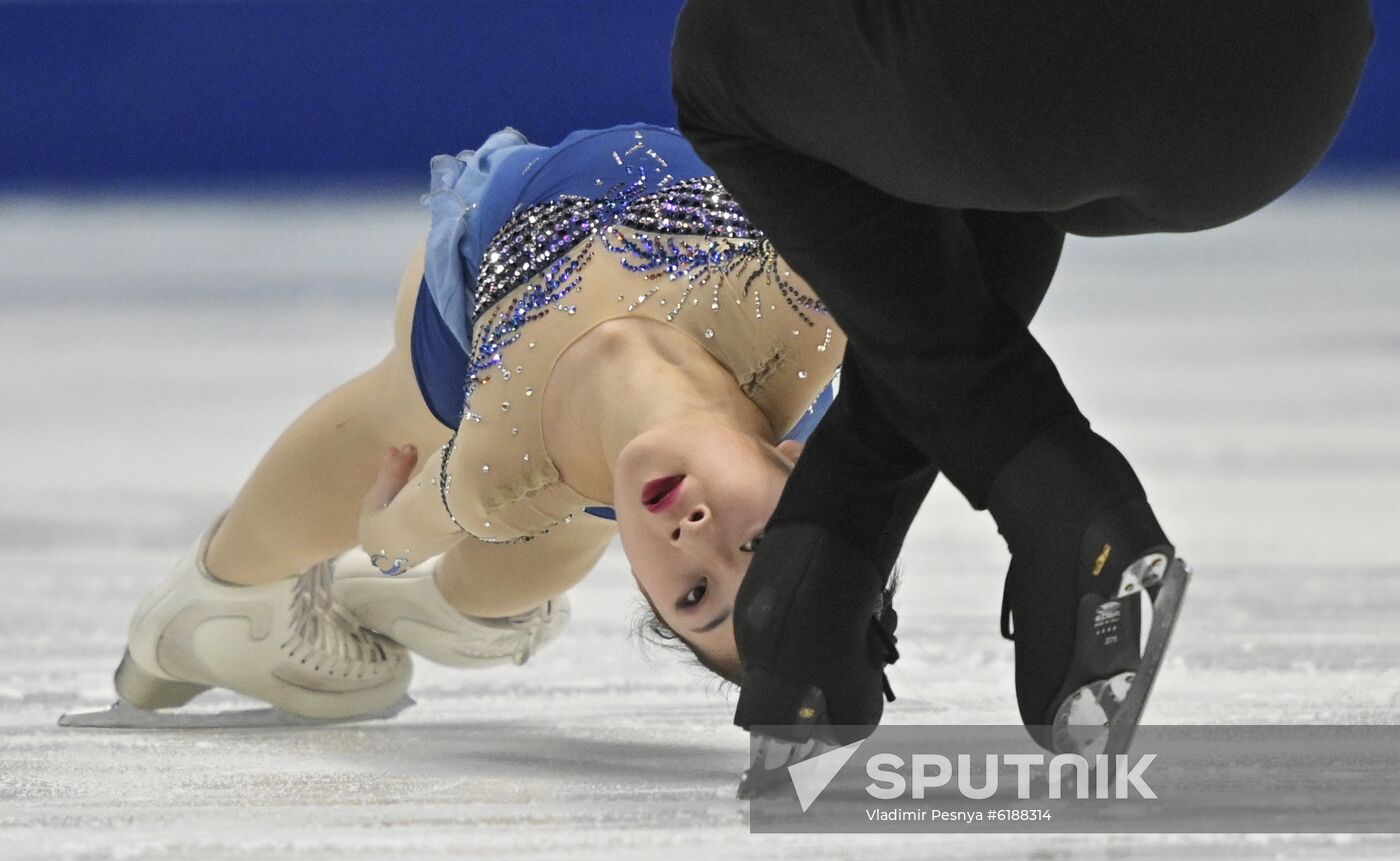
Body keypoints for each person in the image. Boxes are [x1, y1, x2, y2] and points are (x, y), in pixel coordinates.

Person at [669, 0, 1375, 756]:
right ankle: (822, 575)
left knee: (722, 56)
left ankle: (1052, 495)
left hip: (1035, 79)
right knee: (979, 127)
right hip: (1289, 91)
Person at [80, 123, 849, 724]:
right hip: (495, 256)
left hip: (514, 394)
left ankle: (459, 605)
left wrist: (385, 525)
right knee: (409, 417)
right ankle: (219, 606)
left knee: (523, 509)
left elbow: (390, 536)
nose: (698, 537)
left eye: (691, 598)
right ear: (796, 466)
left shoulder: (499, 469)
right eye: (755, 543)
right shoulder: (806, 320)